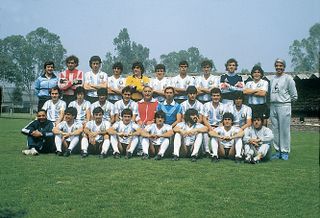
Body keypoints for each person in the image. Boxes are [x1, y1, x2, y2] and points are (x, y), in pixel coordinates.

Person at [270, 58, 298, 160]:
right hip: (273, 105)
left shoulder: (288, 78)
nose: (278, 67)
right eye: (277, 65)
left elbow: (294, 96)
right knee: (275, 130)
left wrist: (286, 102)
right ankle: (277, 151)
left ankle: (285, 151)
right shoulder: (272, 79)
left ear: (284, 67)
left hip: (284, 105)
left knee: (284, 130)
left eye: (280, 65)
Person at [202, 88, 228, 155]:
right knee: (205, 132)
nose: (215, 97)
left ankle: (218, 151)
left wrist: (218, 128)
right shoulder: (206, 105)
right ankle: (207, 151)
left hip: (220, 126)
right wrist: (210, 128)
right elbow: (204, 119)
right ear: (211, 96)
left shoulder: (224, 106)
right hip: (209, 126)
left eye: (217, 95)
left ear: (220, 96)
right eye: (214, 95)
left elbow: (224, 120)